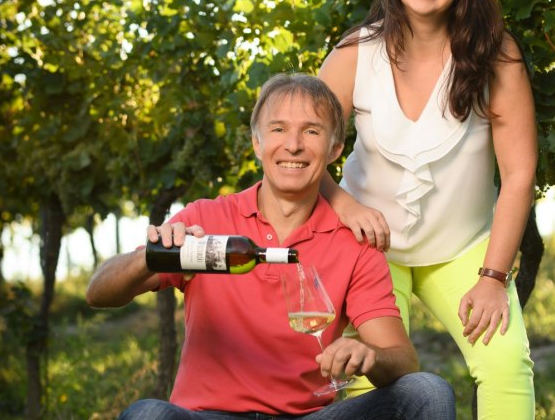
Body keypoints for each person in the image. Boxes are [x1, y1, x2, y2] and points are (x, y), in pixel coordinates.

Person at [85, 73, 455, 420]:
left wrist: (370, 355)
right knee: (149, 415)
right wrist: (151, 257)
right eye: (278, 129)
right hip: (207, 415)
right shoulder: (206, 220)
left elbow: (402, 360)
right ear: (257, 143)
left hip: (310, 416)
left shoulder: (355, 244)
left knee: (427, 391)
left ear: (335, 149)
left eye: (311, 131)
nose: (293, 145)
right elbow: (99, 293)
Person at [317, 0, 537, 418]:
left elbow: (518, 174)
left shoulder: (497, 56)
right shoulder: (355, 54)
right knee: (370, 376)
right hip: (369, 250)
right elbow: (304, 150)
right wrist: (347, 206)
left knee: (507, 365)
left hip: (464, 249)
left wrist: (493, 277)